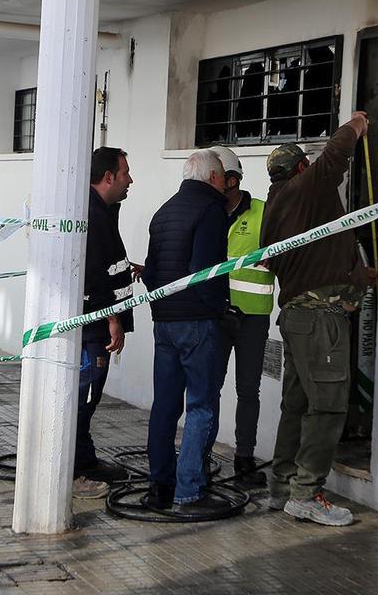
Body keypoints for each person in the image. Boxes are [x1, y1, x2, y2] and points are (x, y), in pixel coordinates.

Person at [260, 112, 376, 526]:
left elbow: (302, 257)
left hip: (295, 318)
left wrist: (355, 274)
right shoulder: (303, 188)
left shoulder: (275, 205)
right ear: (301, 169)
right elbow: (334, 155)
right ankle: (306, 494)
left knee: (297, 404)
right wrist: (357, 124)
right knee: (327, 407)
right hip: (320, 321)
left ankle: (281, 485)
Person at [143, 149, 230, 513]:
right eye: (224, 177)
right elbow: (205, 270)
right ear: (212, 178)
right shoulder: (210, 209)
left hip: (164, 323)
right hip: (197, 322)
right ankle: (189, 492)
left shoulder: (164, 212)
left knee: (164, 406)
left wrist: (163, 309)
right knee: (201, 406)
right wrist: (218, 310)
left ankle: (159, 486)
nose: (227, 185)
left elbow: (150, 271)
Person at [205, 145, 273, 490]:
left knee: (248, 389)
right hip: (216, 314)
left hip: (252, 317)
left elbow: (286, 252)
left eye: (215, 179)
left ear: (231, 180)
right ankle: (201, 455)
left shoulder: (263, 212)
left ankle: (244, 459)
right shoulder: (207, 212)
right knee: (209, 386)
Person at [73, 147, 138, 498]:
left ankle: (84, 459)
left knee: (87, 397)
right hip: (95, 326)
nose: (131, 180)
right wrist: (112, 318)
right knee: (84, 397)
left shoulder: (100, 212)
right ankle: (75, 473)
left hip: (96, 323)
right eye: (125, 173)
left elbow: (109, 266)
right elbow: (94, 275)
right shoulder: (93, 217)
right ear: (109, 177)